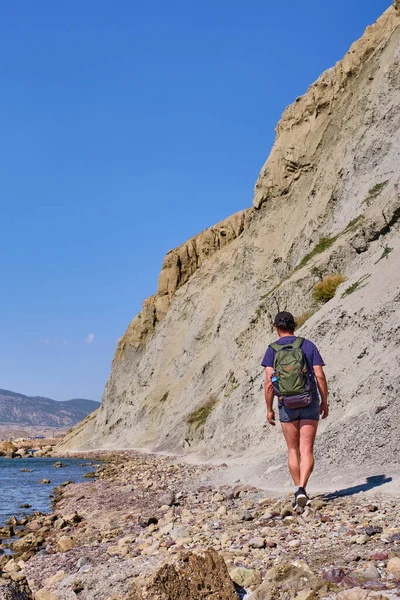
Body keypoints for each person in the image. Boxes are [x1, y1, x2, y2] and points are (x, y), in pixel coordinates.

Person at [262, 311, 329, 508]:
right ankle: (302, 488)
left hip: (286, 404)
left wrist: (269, 409)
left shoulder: (272, 350)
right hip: (309, 401)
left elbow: (268, 383)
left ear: (276, 327)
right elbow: (320, 375)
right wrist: (324, 401)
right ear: (294, 325)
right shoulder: (307, 345)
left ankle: (298, 489)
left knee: (293, 450)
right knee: (306, 449)